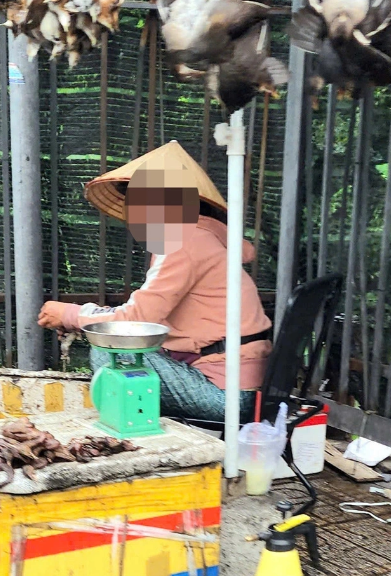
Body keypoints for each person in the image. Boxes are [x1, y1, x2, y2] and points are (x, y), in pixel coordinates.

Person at [37, 141, 272, 422]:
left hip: (226, 396)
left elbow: (132, 322)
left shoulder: (185, 241)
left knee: (108, 354)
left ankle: (132, 437)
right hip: (240, 386)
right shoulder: (201, 238)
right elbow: (152, 323)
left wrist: (70, 314)